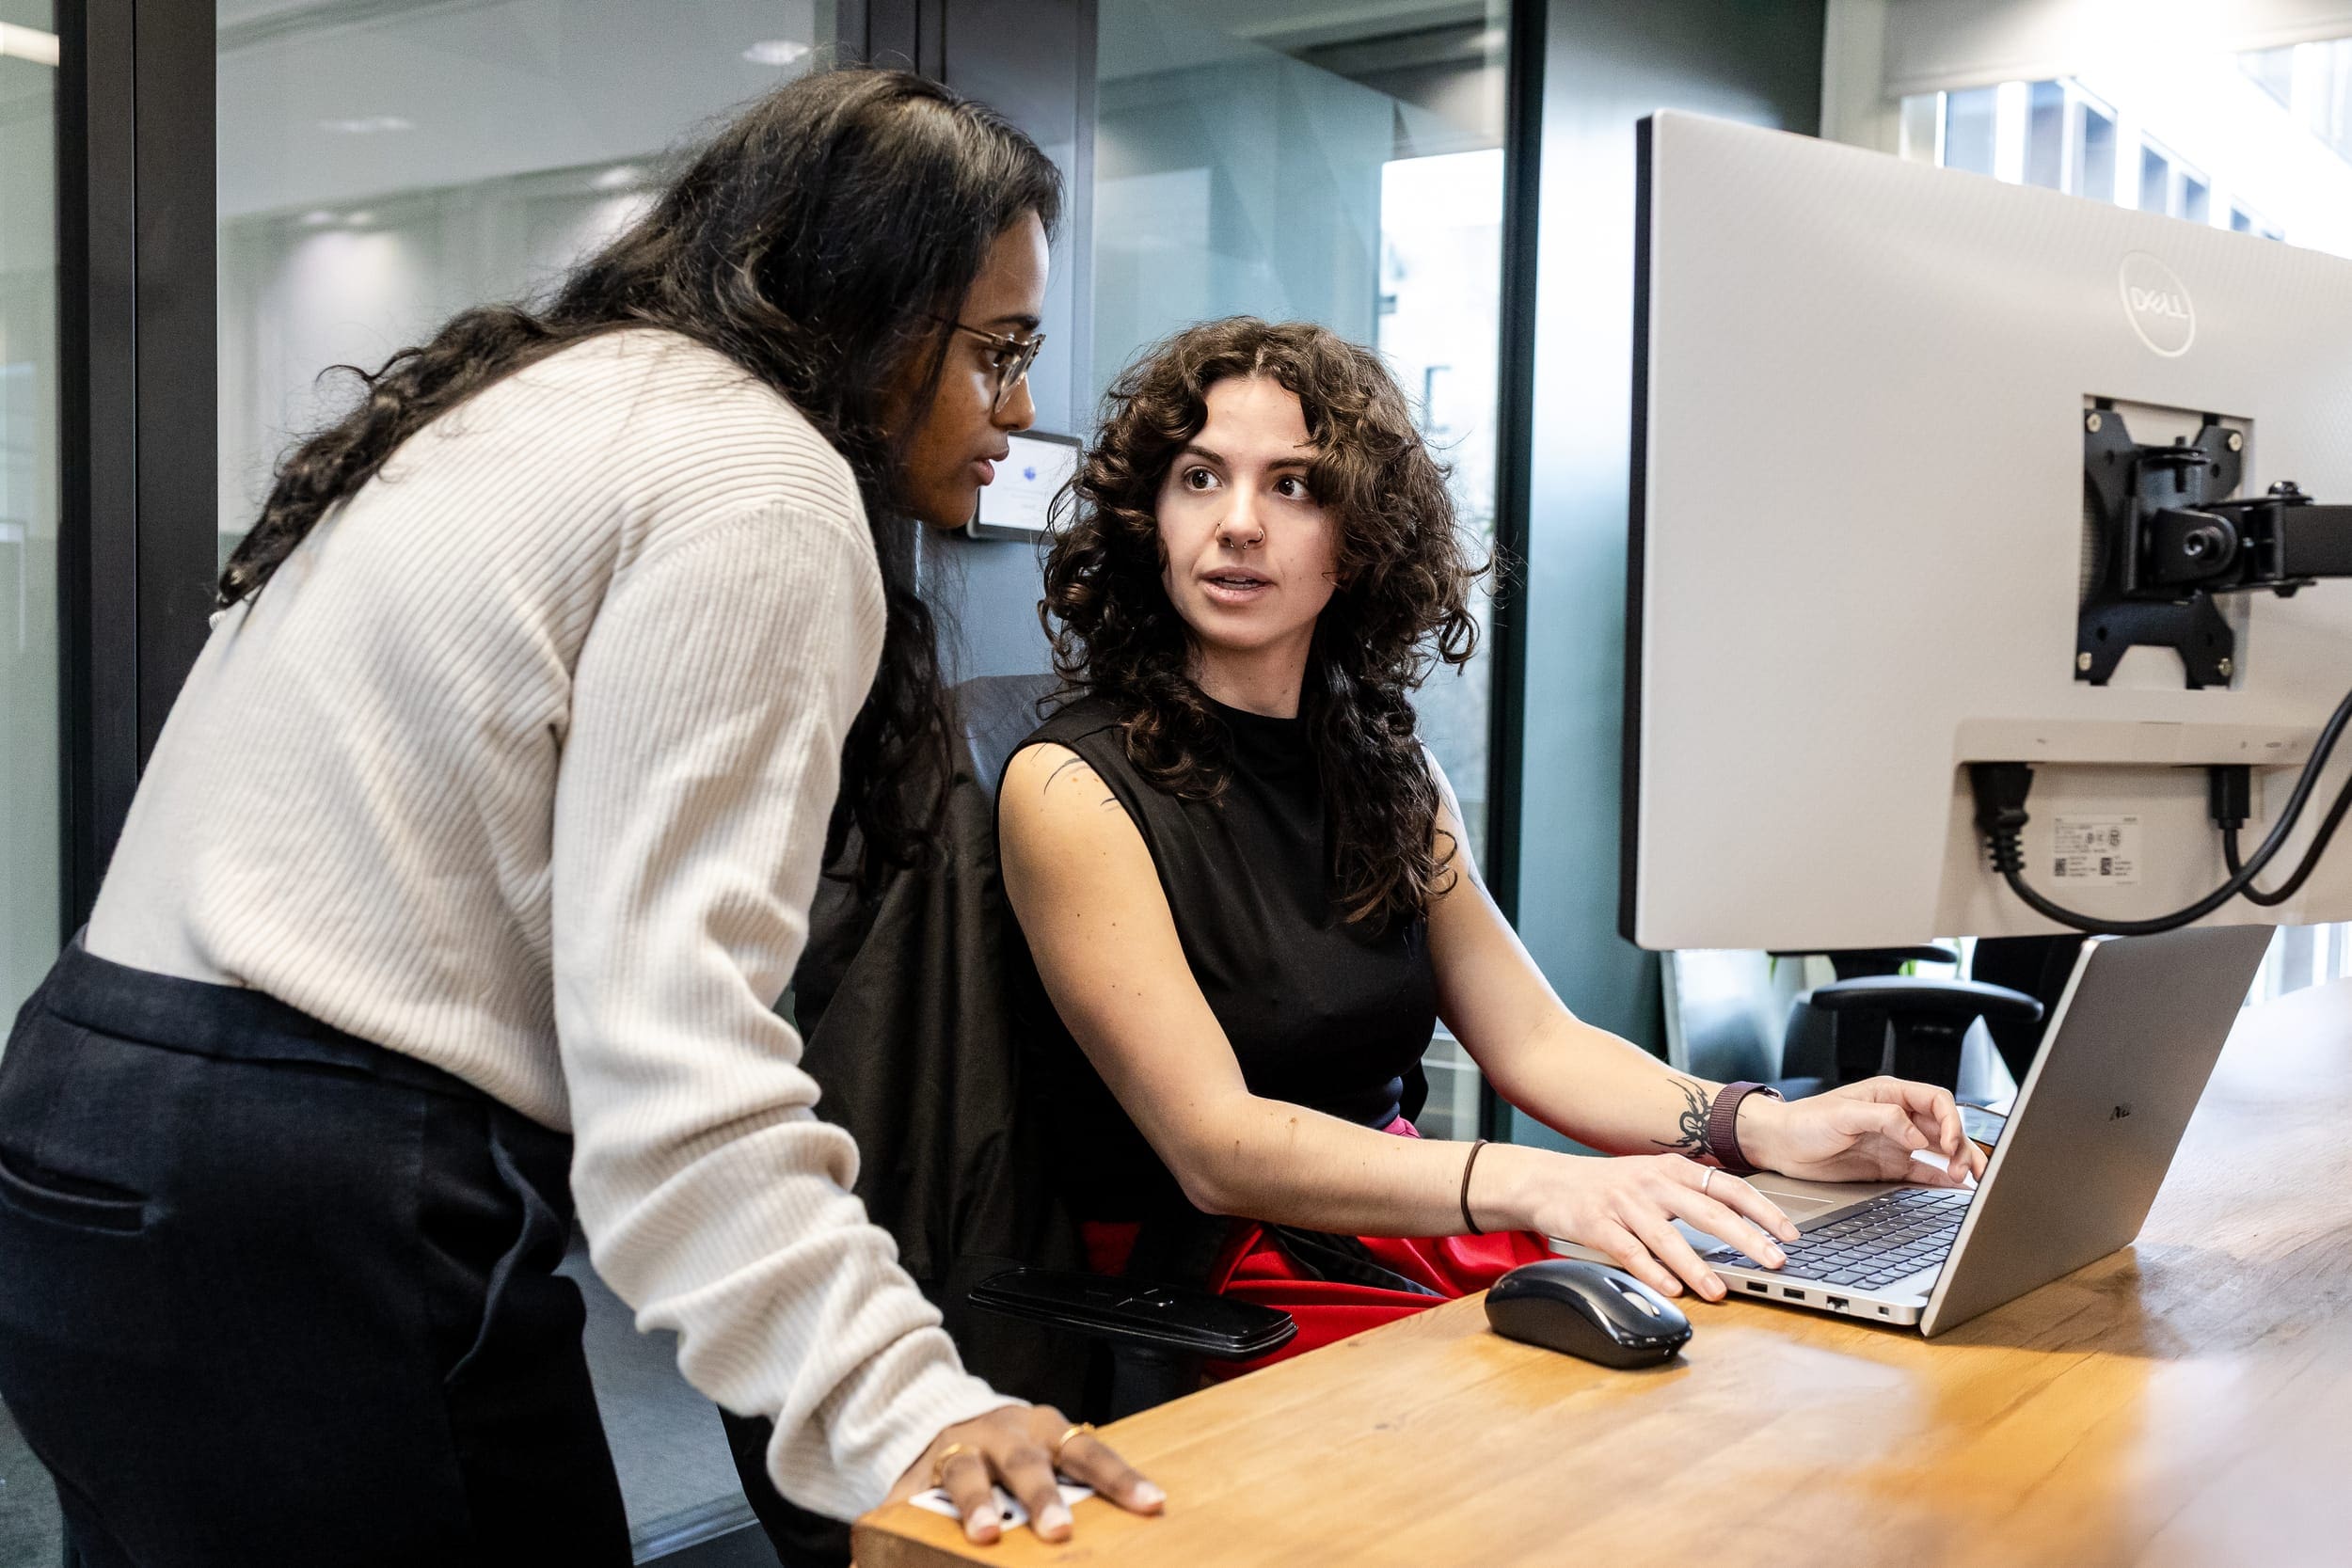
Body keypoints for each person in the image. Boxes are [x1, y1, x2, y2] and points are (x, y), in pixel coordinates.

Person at [0, 69, 1159, 1565]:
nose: (1015, 410)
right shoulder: (761, 482)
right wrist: (906, 1407)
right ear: (875, 306)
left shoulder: (543, 400)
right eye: (996, 348)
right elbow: (671, 1051)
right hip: (313, 1197)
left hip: (80, 1124)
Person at [997, 317, 1988, 1366]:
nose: (1237, 523)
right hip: (1214, 1282)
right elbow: (1214, 1144)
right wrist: (1530, 1178)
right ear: (1149, 515)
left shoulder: (1388, 770)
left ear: (1360, 535)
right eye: (1200, 478)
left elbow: (1535, 1042)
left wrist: (1766, 1128)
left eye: (1291, 485)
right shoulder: (1069, 786)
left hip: (1395, 1233)